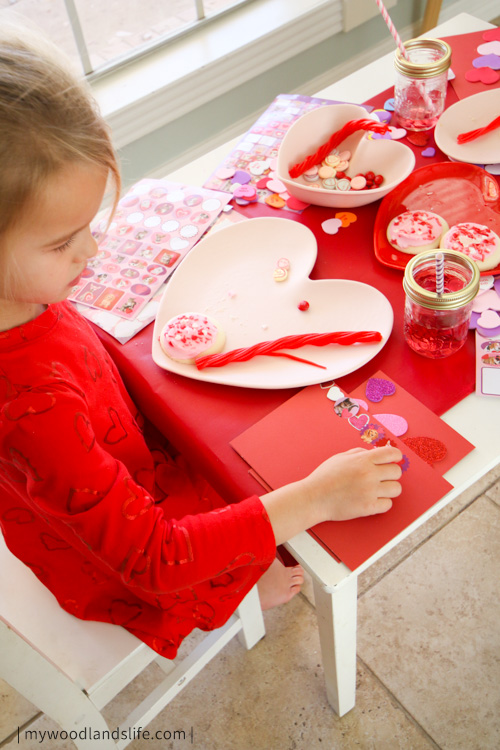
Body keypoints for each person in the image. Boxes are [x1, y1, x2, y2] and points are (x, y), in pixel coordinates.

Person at [0, 23, 403, 659]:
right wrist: (319, 496)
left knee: (223, 442)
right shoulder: (32, 409)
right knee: (249, 491)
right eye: (62, 242)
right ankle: (239, 580)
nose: (93, 250)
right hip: (125, 561)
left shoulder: (20, 296)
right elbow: (155, 558)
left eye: (87, 226)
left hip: (107, 463)